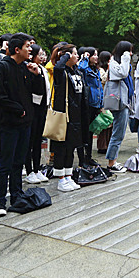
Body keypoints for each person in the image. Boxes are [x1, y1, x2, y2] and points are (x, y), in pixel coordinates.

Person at [0, 32, 40, 217]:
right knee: (6, 163)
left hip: (25, 123)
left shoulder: (25, 68)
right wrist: (18, 109)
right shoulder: (3, 67)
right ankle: (0, 202)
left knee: (19, 161)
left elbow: (36, 94)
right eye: (27, 46)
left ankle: (17, 196)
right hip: (8, 123)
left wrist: (37, 75)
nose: (30, 49)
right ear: (17, 49)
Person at [51, 44, 86, 191]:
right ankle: (61, 179)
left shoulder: (76, 71)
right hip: (64, 114)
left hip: (76, 115)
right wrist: (64, 55)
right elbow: (57, 68)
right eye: (74, 54)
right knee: (62, 148)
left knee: (71, 147)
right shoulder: (62, 72)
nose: (77, 56)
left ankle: (68, 176)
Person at [105, 41, 133, 174]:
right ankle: (111, 164)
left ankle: (113, 161)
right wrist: (126, 58)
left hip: (124, 101)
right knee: (117, 134)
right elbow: (124, 73)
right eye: (129, 51)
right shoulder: (114, 64)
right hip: (119, 102)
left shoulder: (118, 63)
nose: (131, 54)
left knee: (119, 133)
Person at [24, 44, 50, 184]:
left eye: (43, 54)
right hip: (32, 109)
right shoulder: (28, 69)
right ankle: (29, 171)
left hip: (42, 109)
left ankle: (37, 168)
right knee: (30, 141)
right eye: (39, 54)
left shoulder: (42, 69)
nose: (42, 57)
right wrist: (36, 75)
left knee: (38, 140)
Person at [80, 46, 105, 154]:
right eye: (94, 55)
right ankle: (85, 156)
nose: (96, 57)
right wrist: (85, 58)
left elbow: (99, 87)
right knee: (85, 132)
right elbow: (81, 68)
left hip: (96, 103)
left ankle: (89, 156)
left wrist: (101, 104)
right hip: (88, 104)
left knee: (91, 131)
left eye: (96, 54)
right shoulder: (85, 69)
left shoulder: (96, 70)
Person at [96, 50, 112, 154]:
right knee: (104, 123)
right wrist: (109, 69)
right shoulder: (100, 70)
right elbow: (103, 79)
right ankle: (102, 146)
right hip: (102, 99)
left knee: (109, 123)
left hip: (108, 98)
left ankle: (107, 144)